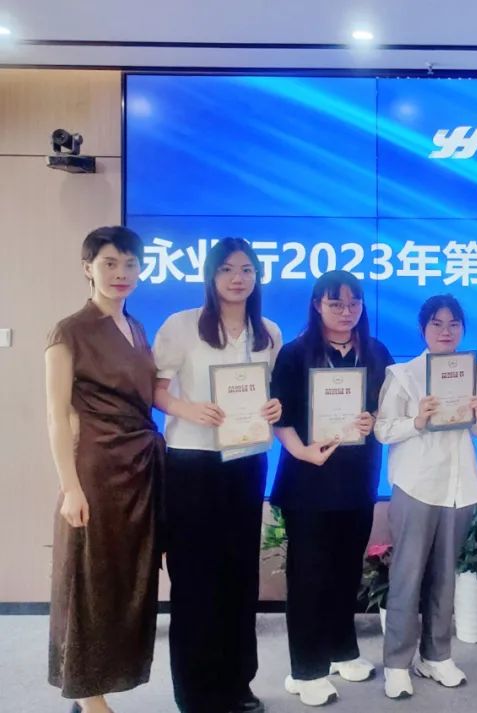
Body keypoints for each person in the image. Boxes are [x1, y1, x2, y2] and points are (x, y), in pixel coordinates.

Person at [152, 238, 283, 713]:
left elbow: (270, 391)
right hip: (193, 463)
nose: (237, 278)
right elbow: (155, 389)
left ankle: (236, 683)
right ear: (210, 275)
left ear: (257, 276)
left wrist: (274, 407)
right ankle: (195, 692)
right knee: (194, 578)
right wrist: (188, 409)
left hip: (246, 461)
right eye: (227, 269)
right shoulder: (181, 325)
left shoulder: (268, 332)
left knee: (239, 575)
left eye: (246, 269)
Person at [45, 226, 164, 713]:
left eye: (131, 264)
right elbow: (57, 415)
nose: (121, 273)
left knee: (127, 580)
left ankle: (106, 680)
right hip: (95, 469)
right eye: (110, 263)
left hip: (139, 468)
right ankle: (89, 696)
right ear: (87, 268)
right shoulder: (69, 330)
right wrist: (69, 487)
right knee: (89, 580)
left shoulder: (136, 327)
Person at [270, 271, 392, 707]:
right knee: (309, 576)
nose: (346, 311)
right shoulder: (295, 353)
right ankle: (305, 670)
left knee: (346, 570)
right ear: (317, 305)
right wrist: (301, 452)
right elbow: (279, 417)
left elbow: (388, 410)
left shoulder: (376, 352)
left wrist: (374, 420)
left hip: (358, 481)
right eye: (336, 303)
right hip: (308, 482)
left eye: (353, 303)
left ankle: (342, 650)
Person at [375, 294, 477, 699]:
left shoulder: (476, 372)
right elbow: (383, 429)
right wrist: (418, 420)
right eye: (437, 324)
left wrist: (476, 414)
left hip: (460, 487)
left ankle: (436, 655)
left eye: (454, 324)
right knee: (407, 577)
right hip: (417, 484)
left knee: (445, 576)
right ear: (423, 329)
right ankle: (396, 663)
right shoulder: (404, 374)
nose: (446, 331)